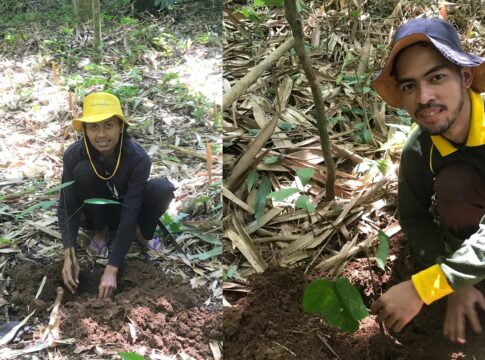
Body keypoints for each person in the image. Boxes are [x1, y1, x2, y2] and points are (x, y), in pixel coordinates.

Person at [370, 17, 485, 344]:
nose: (423, 97)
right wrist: (460, 281)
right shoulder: (420, 151)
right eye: (409, 86)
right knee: (456, 186)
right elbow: (414, 219)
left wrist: (433, 284)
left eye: (436, 77)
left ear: (465, 77)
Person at [58, 92, 175, 299]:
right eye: (93, 127)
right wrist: (69, 253)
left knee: (162, 188)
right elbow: (67, 204)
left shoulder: (138, 158)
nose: (101, 134)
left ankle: (141, 233)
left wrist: (112, 268)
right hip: (96, 212)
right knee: (83, 171)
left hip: (128, 209)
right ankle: (101, 232)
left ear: (121, 127)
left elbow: (131, 209)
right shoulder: (74, 155)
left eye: (108, 125)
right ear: (84, 130)